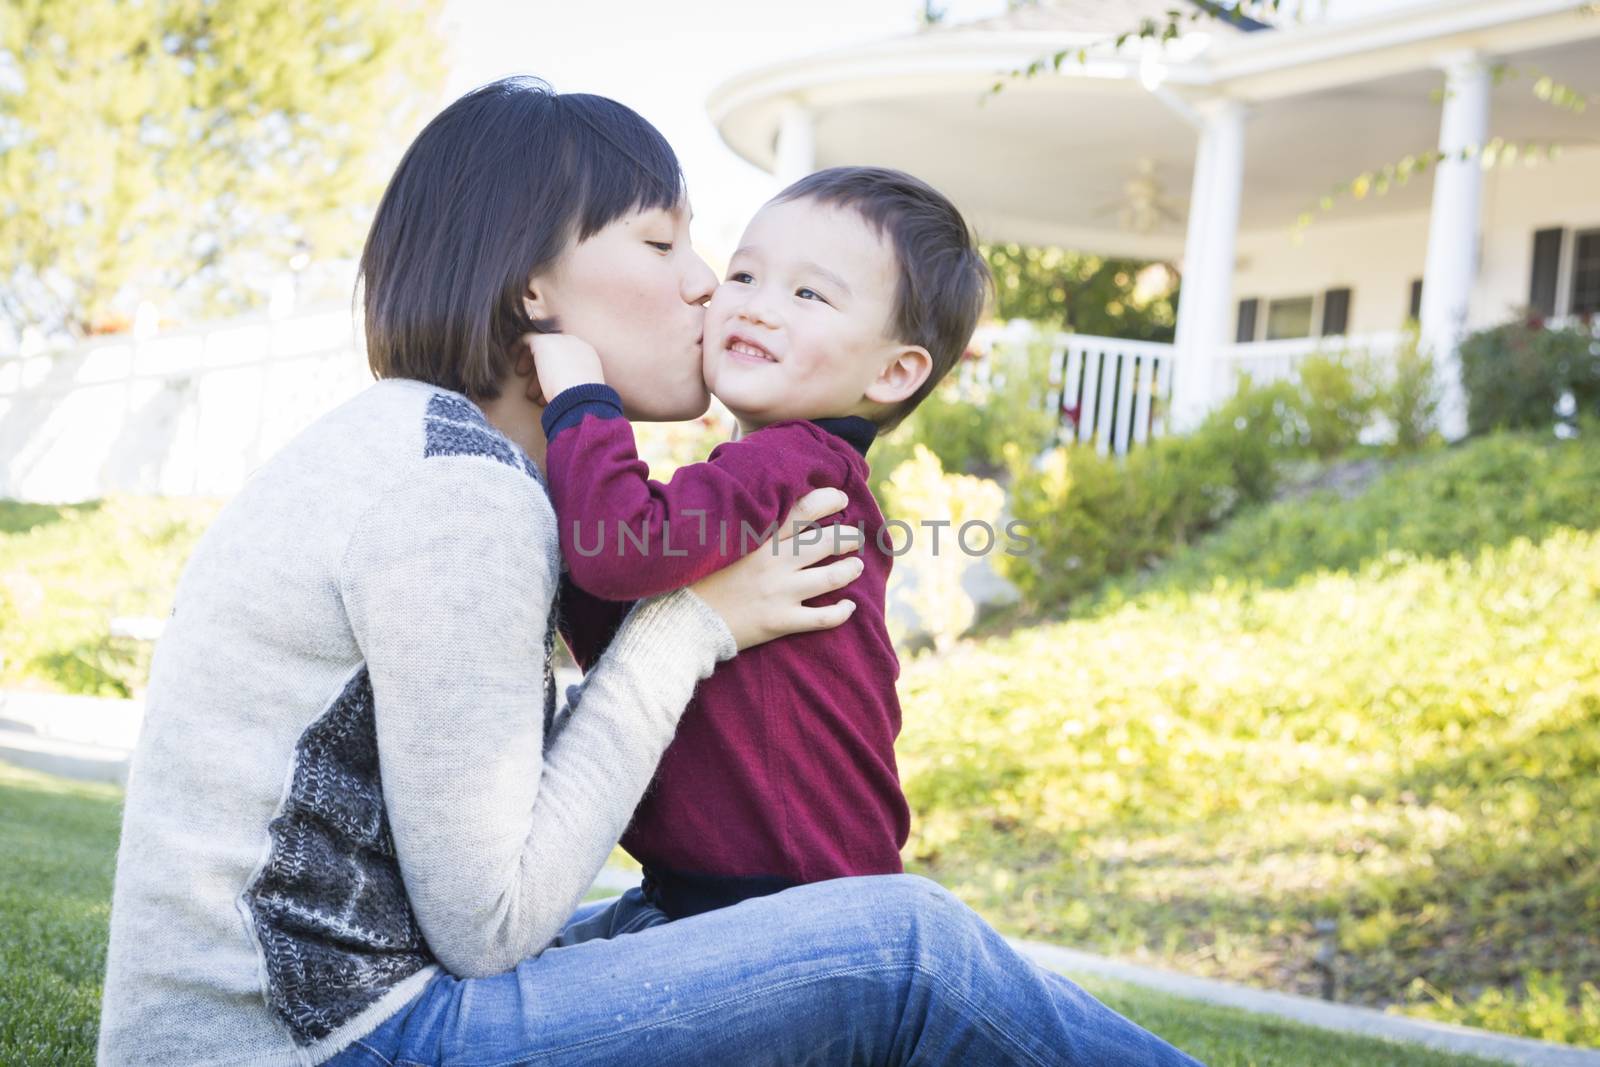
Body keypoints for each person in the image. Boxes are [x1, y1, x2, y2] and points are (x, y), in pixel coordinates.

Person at [98, 76, 1205, 1067]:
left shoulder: (423, 452)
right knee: (905, 942)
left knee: (678, 928)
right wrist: (697, 624)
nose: (708, 290)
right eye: (667, 245)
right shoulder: (456, 495)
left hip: (327, 1012)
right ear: (536, 285)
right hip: (330, 1038)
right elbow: (490, 925)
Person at [526, 165, 989, 922]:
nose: (757, 307)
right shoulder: (758, 482)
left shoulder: (800, 466)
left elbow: (615, 553)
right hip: (723, 892)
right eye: (744, 274)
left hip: (793, 904)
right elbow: (615, 605)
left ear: (894, 370)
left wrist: (582, 399)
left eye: (809, 294)